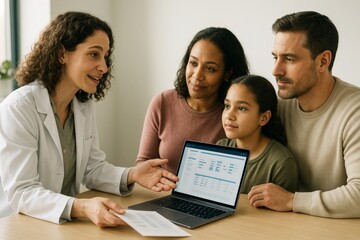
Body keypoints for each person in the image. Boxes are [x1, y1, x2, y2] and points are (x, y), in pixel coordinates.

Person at [0, 11, 178, 226]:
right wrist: (82, 206)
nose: (104, 67)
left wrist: (132, 175)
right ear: (62, 54)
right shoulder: (19, 107)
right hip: (21, 225)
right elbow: (22, 192)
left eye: (105, 57)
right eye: (94, 54)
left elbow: (91, 169)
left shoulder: (82, 105)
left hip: (64, 224)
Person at [248, 11, 360, 218]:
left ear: (323, 61)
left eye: (289, 59)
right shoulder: (279, 106)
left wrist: (291, 200)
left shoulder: (355, 111)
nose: (276, 70)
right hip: (287, 224)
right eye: (275, 57)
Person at [136, 27, 249, 174]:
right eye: (193, 63)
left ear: (227, 73)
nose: (197, 75)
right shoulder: (162, 102)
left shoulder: (235, 114)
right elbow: (144, 163)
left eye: (210, 69)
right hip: (164, 193)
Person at [217, 75, 298, 194]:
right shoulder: (220, 148)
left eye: (242, 108)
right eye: (227, 106)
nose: (229, 115)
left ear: (264, 118)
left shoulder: (281, 164)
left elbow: (283, 211)